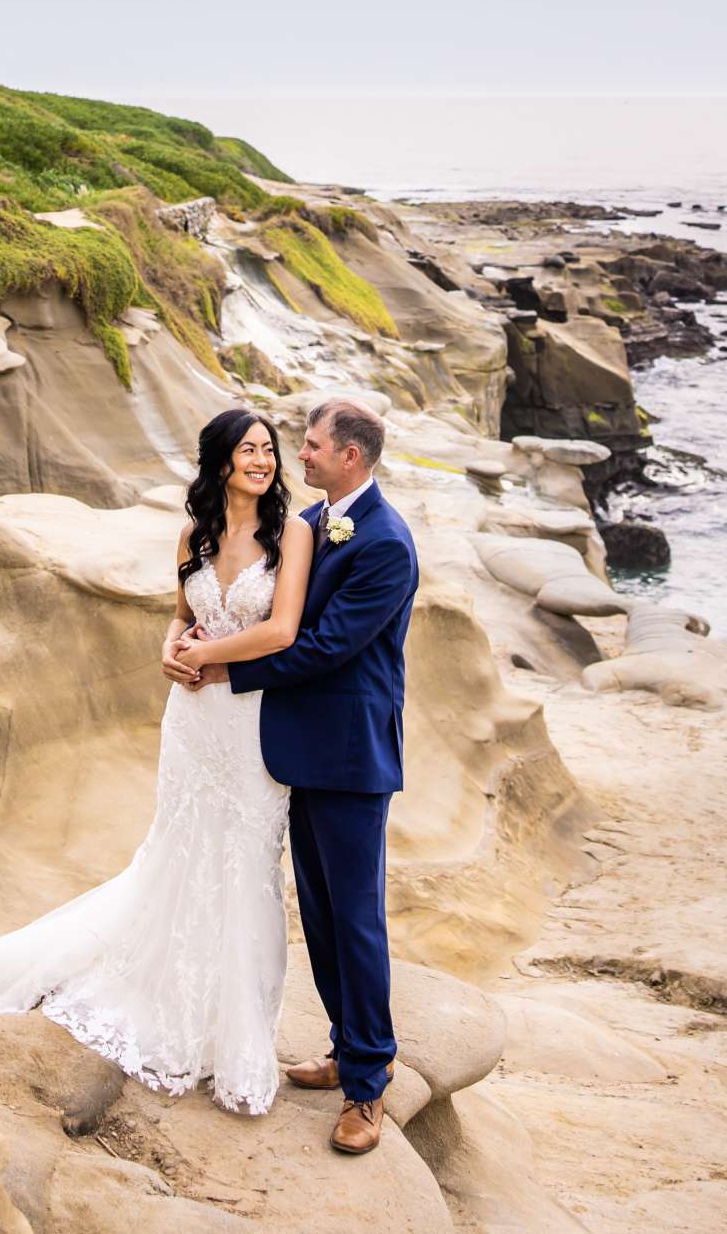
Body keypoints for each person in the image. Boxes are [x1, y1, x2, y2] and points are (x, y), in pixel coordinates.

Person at [0, 407, 311, 1114]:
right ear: (220, 463)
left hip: (248, 720)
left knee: (245, 864)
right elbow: (181, 612)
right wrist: (169, 647)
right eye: (249, 450)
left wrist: (205, 654)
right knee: (178, 851)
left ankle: (233, 1035)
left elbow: (282, 628)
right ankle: (163, 993)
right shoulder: (194, 534)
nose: (263, 461)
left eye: (269, 450)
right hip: (193, 720)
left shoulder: (291, 534)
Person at [167, 396, 418, 1156]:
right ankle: (346, 1047)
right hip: (293, 749)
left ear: (349, 456)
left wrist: (217, 670)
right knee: (319, 912)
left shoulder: (385, 543)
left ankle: (369, 1088)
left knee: (357, 921)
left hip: (347, 756)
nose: (296, 455)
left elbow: (324, 647)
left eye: (309, 446)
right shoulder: (314, 522)